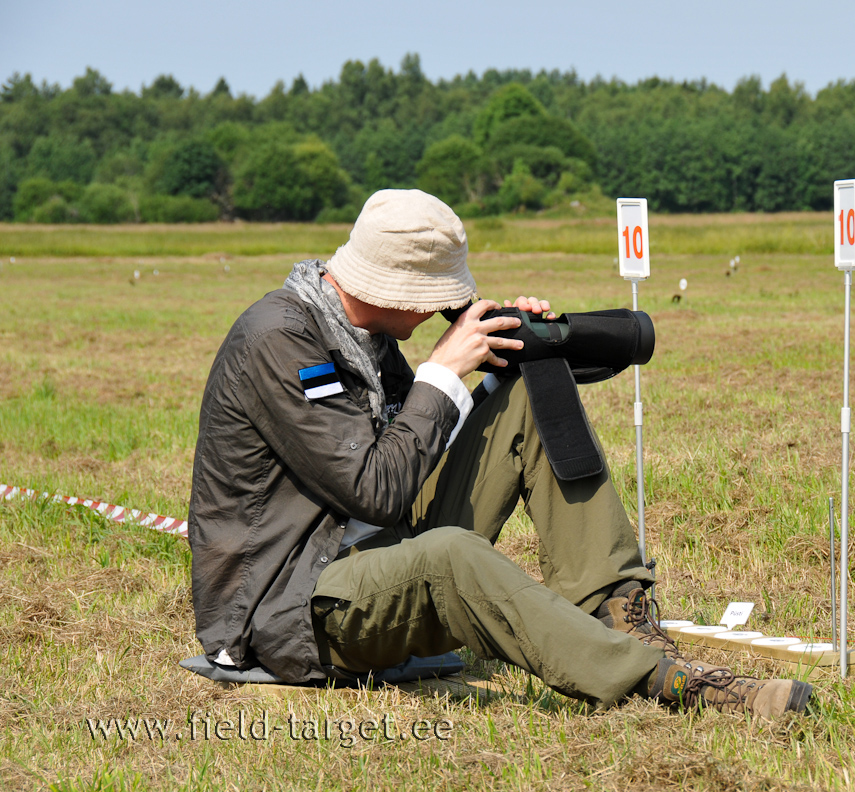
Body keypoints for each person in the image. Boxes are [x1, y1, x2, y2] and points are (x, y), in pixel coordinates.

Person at [188, 189, 814, 717]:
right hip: (290, 604)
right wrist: (442, 371)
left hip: (368, 548)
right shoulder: (280, 341)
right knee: (451, 556)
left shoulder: (359, 333)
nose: (443, 309)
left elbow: (412, 446)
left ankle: (620, 611)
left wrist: (498, 366)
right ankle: (660, 681)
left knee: (525, 394)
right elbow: (373, 489)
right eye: (437, 295)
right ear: (401, 289)